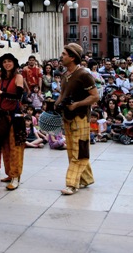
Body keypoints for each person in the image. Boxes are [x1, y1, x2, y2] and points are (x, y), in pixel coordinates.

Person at [56, 43, 100, 195]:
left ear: (72, 57)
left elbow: (95, 96)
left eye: (64, 54)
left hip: (80, 117)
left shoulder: (84, 75)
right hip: (67, 117)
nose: (61, 57)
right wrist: (56, 104)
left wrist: (76, 105)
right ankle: (85, 179)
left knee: (79, 151)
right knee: (72, 151)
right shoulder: (65, 75)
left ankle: (71, 184)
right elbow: (62, 95)